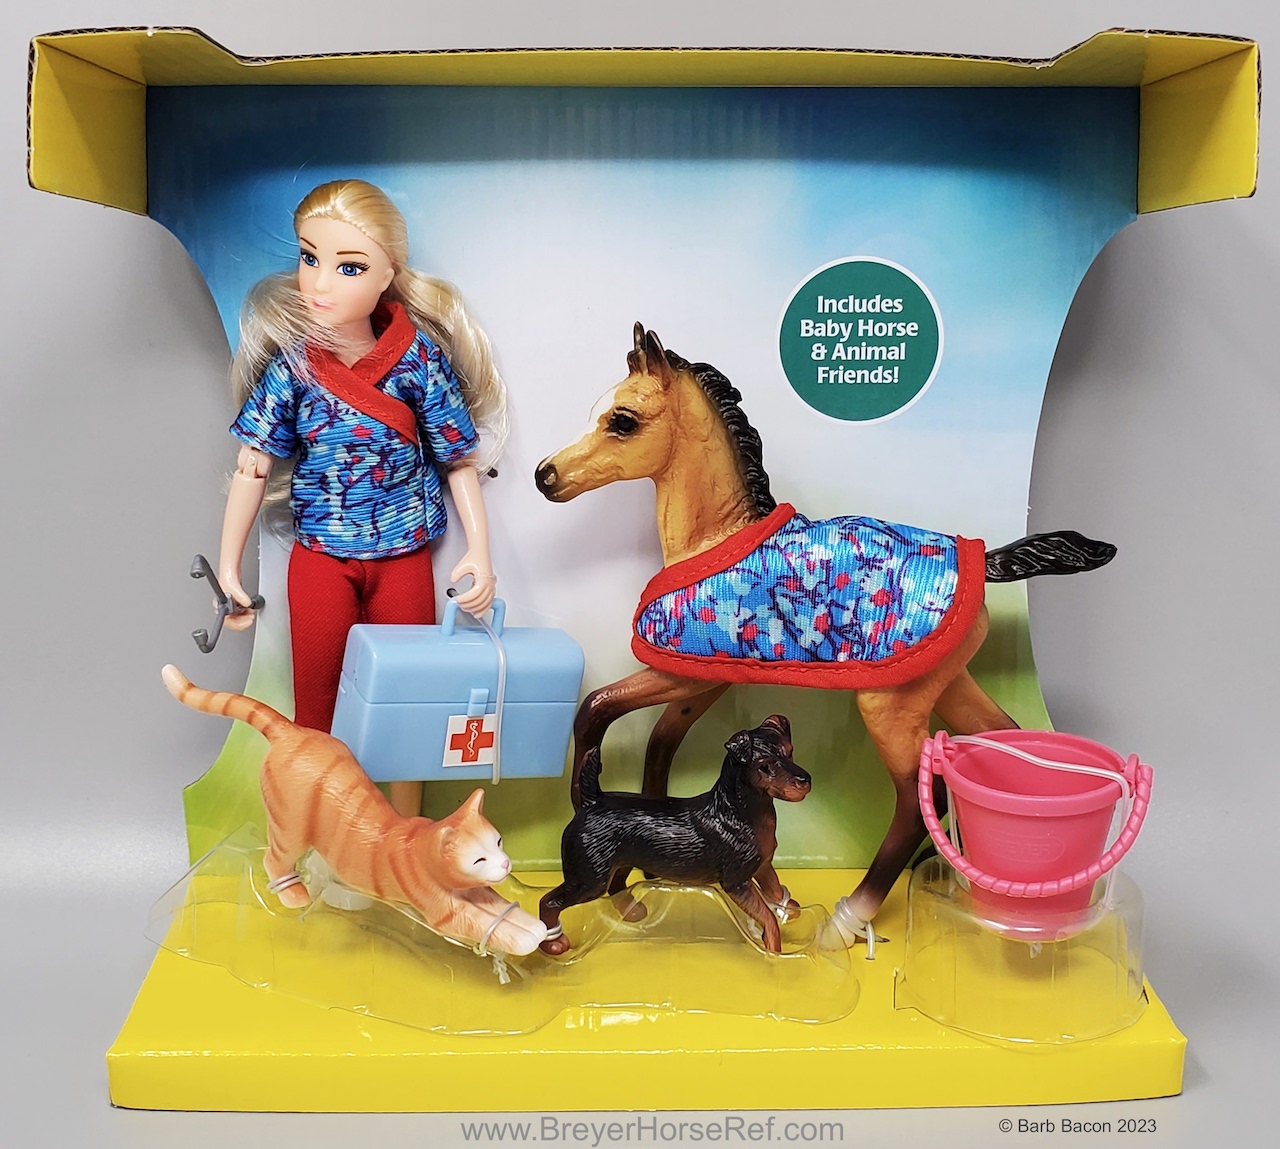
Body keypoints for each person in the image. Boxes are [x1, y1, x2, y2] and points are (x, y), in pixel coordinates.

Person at [217, 179, 507, 817]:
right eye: (309, 258)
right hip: (321, 558)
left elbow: (457, 458)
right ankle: (314, 834)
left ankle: (406, 832)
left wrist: (480, 551)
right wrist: (229, 568)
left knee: (409, 699)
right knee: (315, 704)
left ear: (387, 276)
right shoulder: (295, 365)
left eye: (348, 267)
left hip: (403, 557)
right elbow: (251, 465)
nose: (320, 284)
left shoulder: (417, 361)